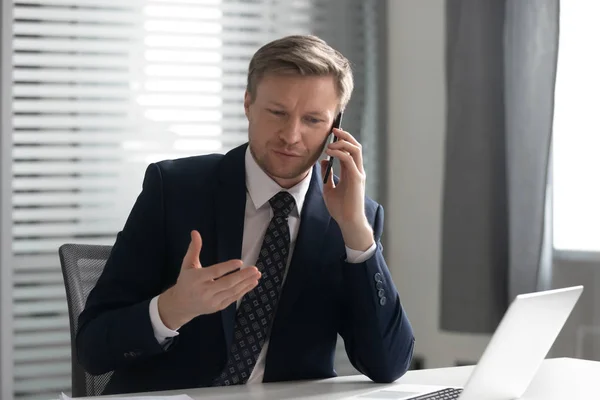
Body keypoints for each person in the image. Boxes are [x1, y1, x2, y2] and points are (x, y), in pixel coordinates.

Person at [76, 34, 415, 395]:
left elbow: (387, 365)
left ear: (336, 127)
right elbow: (93, 348)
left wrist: (357, 235)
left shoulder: (355, 218)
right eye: (277, 113)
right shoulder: (173, 190)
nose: (291, 135)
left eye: (313, 119)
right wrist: (171, 308)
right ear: (248, 104)